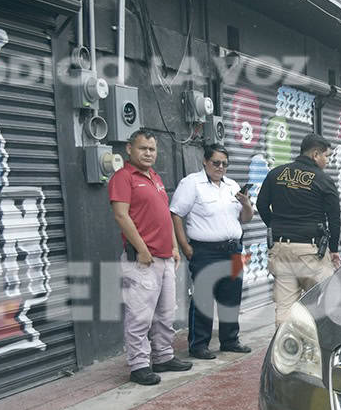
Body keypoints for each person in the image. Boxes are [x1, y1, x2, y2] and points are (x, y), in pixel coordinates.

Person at [108, 129, 192, 385]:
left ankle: (164, 356)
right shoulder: (124, 177)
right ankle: (138, 365)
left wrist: (175, 246)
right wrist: (143, 249)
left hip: (165, 257)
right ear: (129, 149)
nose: (148, 153)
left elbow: (165, 215)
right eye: (143, 148)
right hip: (142, 260)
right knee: (140, 315)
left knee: (166, 313)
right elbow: (121, 216)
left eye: (152, 149)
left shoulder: (154, 177)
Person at [170, 144, 255, 360]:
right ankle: (198, 345)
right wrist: (185, 246)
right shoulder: (192, 184)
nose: (220, 167)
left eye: (225, 164)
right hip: (205, 250)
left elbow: (245, 219)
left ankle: (230, 340)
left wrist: (246, 205)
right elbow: (176, 214)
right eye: (216, 162)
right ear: (205, 161)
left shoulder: (231, 185)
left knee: (231, 296)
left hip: (234, 248)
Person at [256, 133, 341, 326]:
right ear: (315, 154)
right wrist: (334, 249)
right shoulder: (323, 180)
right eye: (326, 156)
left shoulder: (275, 174)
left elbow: (261, 205)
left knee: (285, 308)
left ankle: (286, 351)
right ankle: (319, 352)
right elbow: (334, 219)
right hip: (310, 253)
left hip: (281, 249)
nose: (327, 161)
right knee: (323, 306)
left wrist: (275, 225)